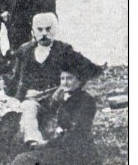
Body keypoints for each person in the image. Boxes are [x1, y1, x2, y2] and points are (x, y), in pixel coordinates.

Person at [9, 13, 99, 147]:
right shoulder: (25, 51)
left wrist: (63, 88)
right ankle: (34, 142)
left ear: (55, 30)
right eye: (40, 29)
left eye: (48, 29)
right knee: (28, 108)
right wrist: (15, 98)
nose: (44, 33)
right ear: (33, 31)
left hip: (56, 94)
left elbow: (89, 69)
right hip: (33, 97)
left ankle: (62, 139)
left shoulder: (64, 50)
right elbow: (17, 77)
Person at [10, 59, 102, 165]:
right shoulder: (68, 100)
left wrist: (46, 144)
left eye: (69, 78)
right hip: (64, 148)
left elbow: (76, 133)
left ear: (79, 81)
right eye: (62, 79)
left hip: (76, 153)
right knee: (21, 160)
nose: (65, 82)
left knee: (21, 162)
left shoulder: (85, 100)